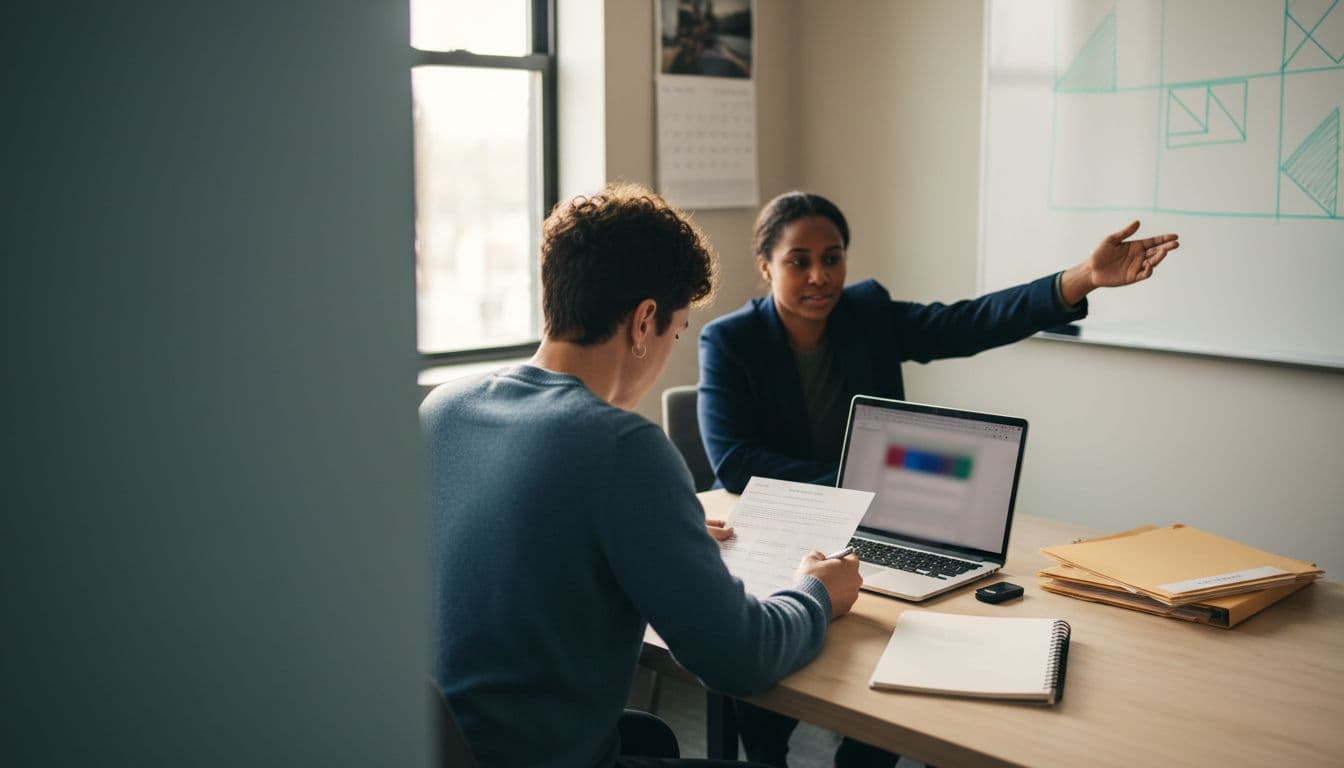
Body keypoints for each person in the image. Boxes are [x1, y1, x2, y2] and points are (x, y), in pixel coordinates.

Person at [697, 191, 1179, 767]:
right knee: (767, 694)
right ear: (765, 264)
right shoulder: (730, 341)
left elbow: (967, 322)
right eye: (798, 260)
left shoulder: (867, 312)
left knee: (923, 635)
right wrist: (853, 486)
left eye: (833, 257)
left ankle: (867, 750)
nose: (819, 276)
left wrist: (1083, 278)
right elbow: (736, 461)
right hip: (786, 531)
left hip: (879, 526)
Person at [422, 183, 863, 768]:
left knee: (650, 737)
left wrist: (659, 533)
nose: (667, 351)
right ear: (643, 321)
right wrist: (816, 591)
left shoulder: (443, 409)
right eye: (676, 332)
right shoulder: (621, 446)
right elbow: (740, 657)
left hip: (439, 747)